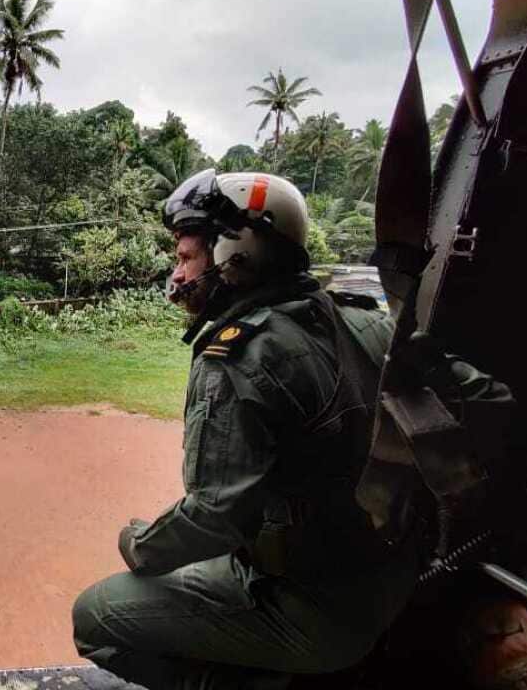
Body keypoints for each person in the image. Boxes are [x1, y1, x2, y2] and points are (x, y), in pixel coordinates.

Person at [71, 170, 419, 690]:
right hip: (390, 582)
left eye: (186, 257)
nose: (178, 273)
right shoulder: (364, 321)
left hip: (317, 608)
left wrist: (138, 543)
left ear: (234, 254)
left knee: (96, 616)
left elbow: (214, 517)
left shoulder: (241, 358)